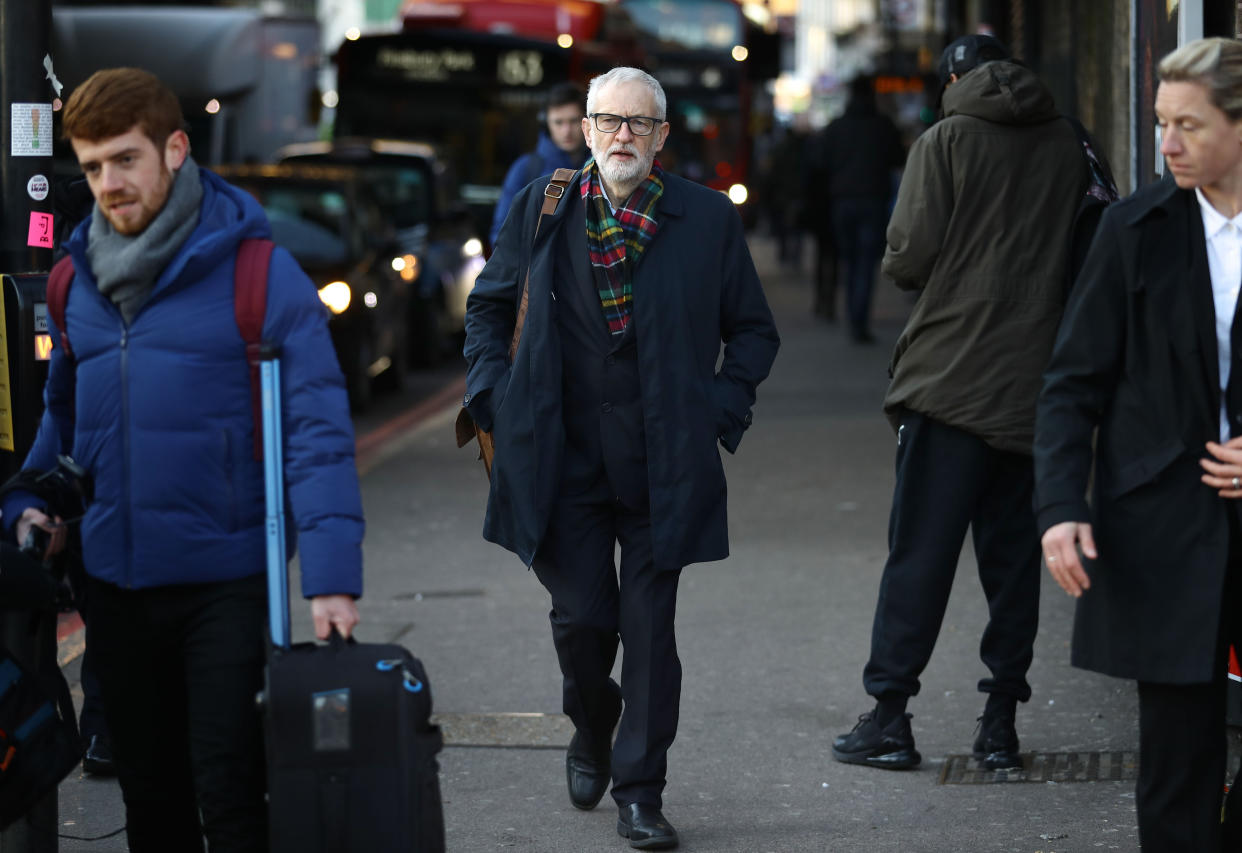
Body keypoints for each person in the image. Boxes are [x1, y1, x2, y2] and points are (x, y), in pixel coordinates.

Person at [0, 67, 364, 852]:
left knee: (230, 791)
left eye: (125, 159)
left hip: (225, 579)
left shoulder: (258, 273)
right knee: (150, 797)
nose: (108, 184)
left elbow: (317, 429)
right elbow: (64, 417)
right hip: (117, 584)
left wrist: (332, 576)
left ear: (174, 149)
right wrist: (28, 498)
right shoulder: (74, 283)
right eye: (92, 167)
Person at [463, 66, 779, 850]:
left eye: (640, 124)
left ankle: (641, 790)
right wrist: (494, 396)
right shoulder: (543, 207)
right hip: (558, 460)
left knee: (648, 632)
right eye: (609, 122)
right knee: (583, 620)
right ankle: (590, 721)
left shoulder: (705, 219)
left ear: (663, 136)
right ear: (587, 129)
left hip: (662, 465)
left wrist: (718, 408)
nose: (623, 136)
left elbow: (754, 332)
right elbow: (488, 305)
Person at [832, 35, 1089, 772]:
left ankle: (889, 717)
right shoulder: (1070, 142)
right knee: (1013, 564)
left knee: (920, 555)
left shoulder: (944, 141)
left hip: (948, 382)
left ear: (951, 80)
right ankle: (1000, 724)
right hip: (1034, 384)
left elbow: (908, 257)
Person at [1036, 36, 1242, 851]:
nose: (1167, 143)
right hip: (1162, 524)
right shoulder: (1133, 228)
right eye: (1160, 123)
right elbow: (1071, 382)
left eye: (1188, 124)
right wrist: (1059, 505)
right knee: (1176, 759)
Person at [809, 75, 904, 342]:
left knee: (849, 261)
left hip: (842, 202)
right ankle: (858, 320)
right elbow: (898, 158)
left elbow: (820, 162)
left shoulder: (837, 127)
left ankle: (853, 315)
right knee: (865, 262)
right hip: (873, 201)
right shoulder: (883, 126)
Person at [488, 82, 588, 247]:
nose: (566, 131)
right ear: (546, 124)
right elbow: (502, 234)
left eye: (573, 121)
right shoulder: (525, 169)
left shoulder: (603, 167)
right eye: (558, 122)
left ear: (586, 122)